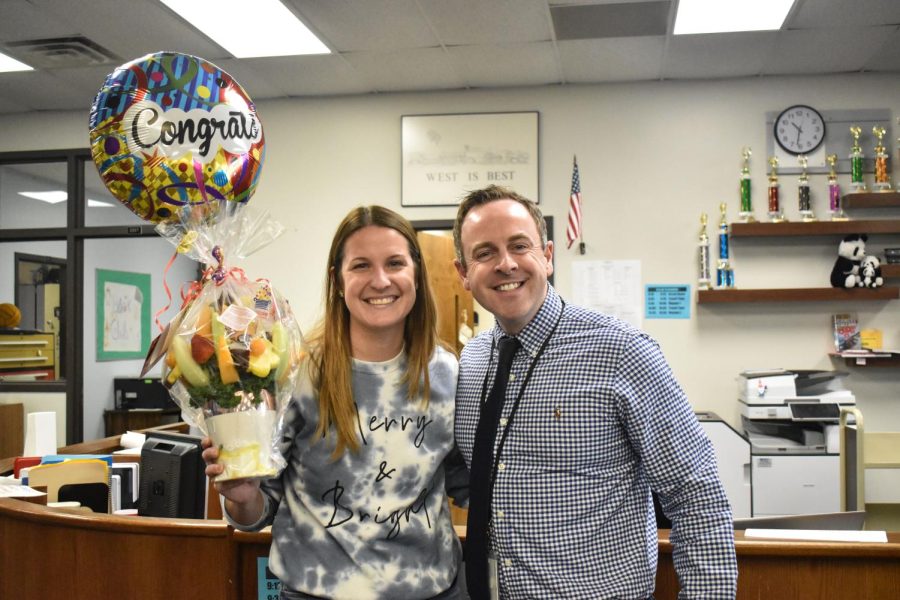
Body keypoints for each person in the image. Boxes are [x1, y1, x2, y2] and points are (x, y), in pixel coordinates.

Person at [452, 185, 737, 599]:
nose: (506, 264)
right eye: (484, 253)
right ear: (463, 273)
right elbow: (478, 478)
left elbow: (696, 496)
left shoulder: (623, 352)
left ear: (547, 256)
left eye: (519, 246)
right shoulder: (473, 361)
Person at [203, 205, 468, 600]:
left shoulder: (447, 373)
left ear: (415, 272)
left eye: (395, 263)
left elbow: (466, 483)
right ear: (338, 280)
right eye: (361, 266)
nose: (380, 280)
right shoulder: (296, 373)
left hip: (433, 590)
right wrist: (243, 498)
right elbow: (256, 513)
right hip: (316, 591)